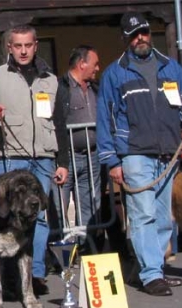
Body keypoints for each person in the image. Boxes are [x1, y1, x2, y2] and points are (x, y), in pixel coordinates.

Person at [96, 12, 182, 296]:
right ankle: (152, 274)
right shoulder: (114, 73)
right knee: (142, 214)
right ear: (125, 39)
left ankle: (152, 268)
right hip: (133, 153)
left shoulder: (171, 68)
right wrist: (111, 160)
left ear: (149, 33)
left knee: (162, 216)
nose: (140, 38)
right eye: (133, 35)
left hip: (167, 153)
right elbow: (105, 120)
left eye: (143, 32)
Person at [0, 24, 69, 295]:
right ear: (9, 48)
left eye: (28, 45)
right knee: (7, 218)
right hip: (10, 158)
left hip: (43, 157)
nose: (24, 50)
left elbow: (60, 124)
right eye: (18, 46)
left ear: (36, 45)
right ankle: (9, 278)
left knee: (38, 217)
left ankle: (34, 274)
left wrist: (62, 162)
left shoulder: (51, 80)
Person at [52, 45, 103, 253]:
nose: (97, 68)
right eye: (95, 64)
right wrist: (60, 159)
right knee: (58, 206)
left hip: (92, 156)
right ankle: (59, 254)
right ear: (82, 64)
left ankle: (87, 249)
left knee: (89, 205)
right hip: (66, 158)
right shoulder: (59, 87)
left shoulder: (96, 89)